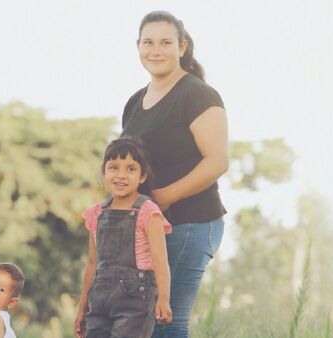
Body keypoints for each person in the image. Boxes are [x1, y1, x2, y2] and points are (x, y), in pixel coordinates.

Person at [121, 10, 229, 338]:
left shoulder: (197, 94)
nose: (156, 50)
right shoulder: (134, 102)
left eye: (166, 42)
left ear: (182, 47)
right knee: (143, 320)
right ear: (137, 47)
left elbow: (217, 162)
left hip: (190, 222)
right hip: (150, 225)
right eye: (148, 42)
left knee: (167, 318)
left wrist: (164, 198)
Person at [74, 137, 173, 338]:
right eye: (113, 167)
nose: (121, 175)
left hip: (134, 301)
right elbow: (92, 264)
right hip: (99, 300)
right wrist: (81, 307)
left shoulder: (147, 211)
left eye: (130, 169)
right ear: (104, 172)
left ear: (142, 176)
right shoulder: (96, 214)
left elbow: (160, 261)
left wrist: (163, 298)